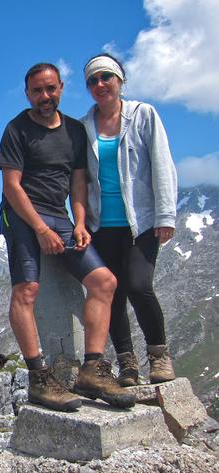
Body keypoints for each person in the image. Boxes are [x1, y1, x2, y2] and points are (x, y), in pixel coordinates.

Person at [0, 62, 135, 411]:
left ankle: (92, 370)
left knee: (104, 282)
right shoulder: (17, 128)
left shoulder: (74, 130)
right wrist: (40, 230)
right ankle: (39, 378)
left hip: (61, 218)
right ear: (27, 94)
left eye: (51, 89)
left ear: (61, 88)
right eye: (37, 91)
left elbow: (77, 183)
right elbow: (12, 187)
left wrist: (80, 222)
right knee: (26, 290)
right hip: (21, 216)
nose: (45, 96)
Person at [81, 53, 177, 386]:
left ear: (120, 80)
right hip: (101, 225)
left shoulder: (143, 115)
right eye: (93, 80)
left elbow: (162, 163)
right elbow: (79, 179)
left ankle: (158, 355)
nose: (100, 84)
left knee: (138, 284)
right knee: (112, 293)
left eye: (106, 77)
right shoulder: (83, 127)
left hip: (141, 222)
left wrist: (165, 215)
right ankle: (127, 363)